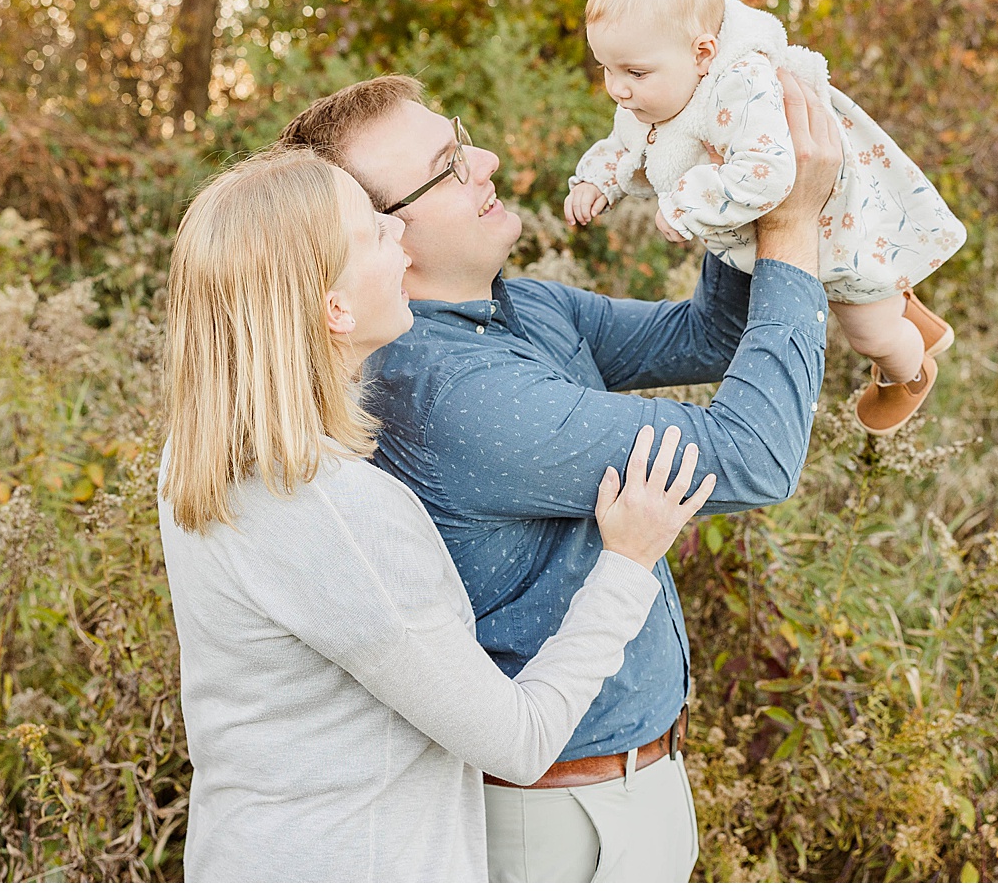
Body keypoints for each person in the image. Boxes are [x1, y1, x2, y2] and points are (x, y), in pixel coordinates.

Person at [276, 66, 842, 881]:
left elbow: (709, 335)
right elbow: (754, 456)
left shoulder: (517, 307)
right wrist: (792, 227)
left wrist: (732, 175)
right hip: (559, 824)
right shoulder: (453, 394)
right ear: (379, 235)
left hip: (631, 786)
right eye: (447, 164)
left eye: (463, 140)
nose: (489, 162)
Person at [156, 147, 718, 881]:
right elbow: (520, 739)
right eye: (375, 232)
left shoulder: (202, 454)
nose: (402, 238)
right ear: (335, 307)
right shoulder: (344, 513)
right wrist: (627, 562)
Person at [564, 0, 967, 436]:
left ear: (703, 52)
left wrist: (688, 202)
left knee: (869, 330)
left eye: (634, 72)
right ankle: (899, 304)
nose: (618, 88)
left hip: (834, 230)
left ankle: (910, 369)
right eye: (606, 68)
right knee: (862, 303)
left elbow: (768, 172)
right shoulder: (658, 84)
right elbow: (631, 142)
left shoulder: (741, 86)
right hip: (805, 233)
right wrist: (600, 180)